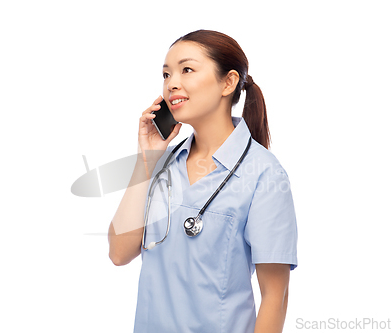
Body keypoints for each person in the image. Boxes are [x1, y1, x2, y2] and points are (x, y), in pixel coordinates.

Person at [108, 29, 298, 333]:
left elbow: (276, 297)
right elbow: (119, 253)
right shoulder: (163, 163)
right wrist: (146, 160)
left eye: (187, 70)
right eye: (166, 74)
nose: (172, 83)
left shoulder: (264, 174)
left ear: (228, 82)